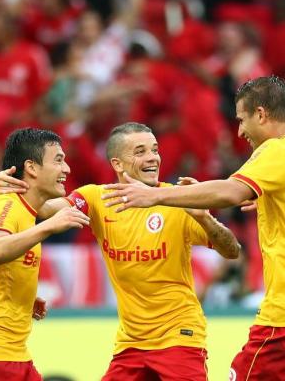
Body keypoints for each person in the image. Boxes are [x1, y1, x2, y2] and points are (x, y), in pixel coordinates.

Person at [0, 122, 241, 380]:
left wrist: (205, 218)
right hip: (130, 343)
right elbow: (43, 209)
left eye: (154, 150)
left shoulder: (177, 199)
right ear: (117, 164)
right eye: (140, 151)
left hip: (179, 337)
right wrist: (10, 186)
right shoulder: (97, 199)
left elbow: (232, 249)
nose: (152, 157)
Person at [102, 76, 285, 380]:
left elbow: (229, 192)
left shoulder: (274, 151)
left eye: (242, 120)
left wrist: (155, 195)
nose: (239, 131)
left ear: (262, 115)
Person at [0, 128, 90, 381]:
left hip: (14, 356)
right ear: (31, 167)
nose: (66, 168)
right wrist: (48, 227)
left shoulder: (23, 209)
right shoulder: (5, 205)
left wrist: (16, 297)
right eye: (58, 160)